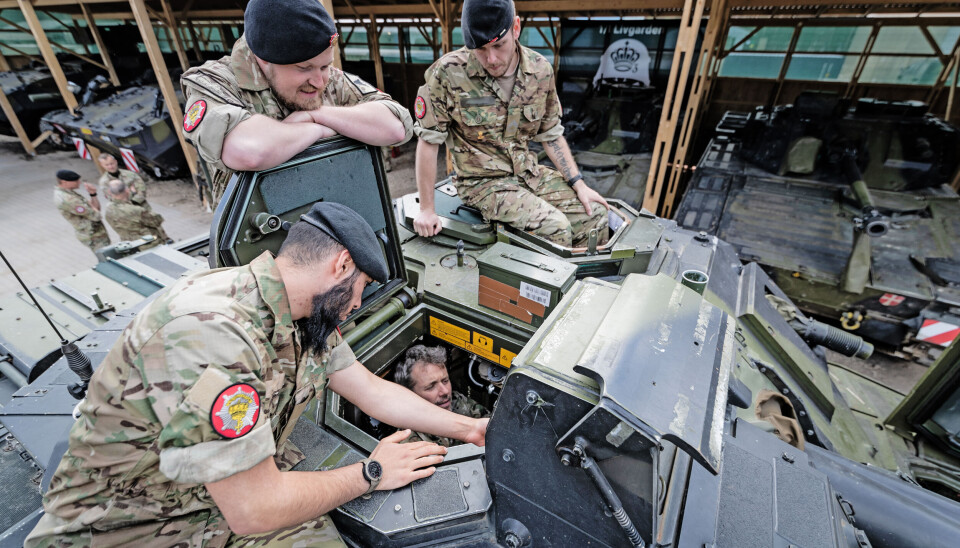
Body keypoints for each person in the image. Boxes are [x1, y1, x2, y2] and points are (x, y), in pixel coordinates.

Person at [26, 202, 487, 547]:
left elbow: (369, 390)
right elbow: (253, 510)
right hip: (131, 525)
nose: (355, 305)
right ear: (341, 264)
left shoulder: (300, 313)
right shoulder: (215, 333)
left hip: (206, 497)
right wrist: (371, 472)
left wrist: (471, 429)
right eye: (360, 290)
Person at [412, 0, 610, 248]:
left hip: (528, 174)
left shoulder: (540, 71)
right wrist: (427, 209)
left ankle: (584, 284)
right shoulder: (448, 74)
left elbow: (550, 134)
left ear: (515, 28)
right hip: (483, 184)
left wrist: (579, 185)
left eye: (499, 45)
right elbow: (429, 141)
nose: (491, 58)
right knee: (556, 228)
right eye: (480, 49)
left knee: (596, 215)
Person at [181, 0, 413, 202]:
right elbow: (249, 152)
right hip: (263, 245)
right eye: (304, 68)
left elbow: (395, 127)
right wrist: (321, 131)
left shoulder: (326, 78)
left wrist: (315, 115)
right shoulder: (216, 83)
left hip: (333, 221)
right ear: (263, 60)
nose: (320, 82)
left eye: (325, 66)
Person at [393, 345, 489, 447]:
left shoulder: (456, 401)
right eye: (430, 387)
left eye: (445, 381)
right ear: (410, 394)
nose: (445, 391)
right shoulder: (408, 443)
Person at [53, 169, 110, 256]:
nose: (79, 182)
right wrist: (93, 208)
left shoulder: (69, 193)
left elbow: (95, 209)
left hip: (96, 232)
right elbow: (96, 215)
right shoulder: (68, 199)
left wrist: (93, 194)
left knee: (108, 255)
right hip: (93, 235)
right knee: (107, 257)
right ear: (64, 182)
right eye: (75, 181)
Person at [104, 179, 170, 248]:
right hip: (150, 245)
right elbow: (157, 220)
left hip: (130, 246)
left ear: (109, 192)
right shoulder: (137, 210)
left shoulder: (108, 209)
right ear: (127, 190)